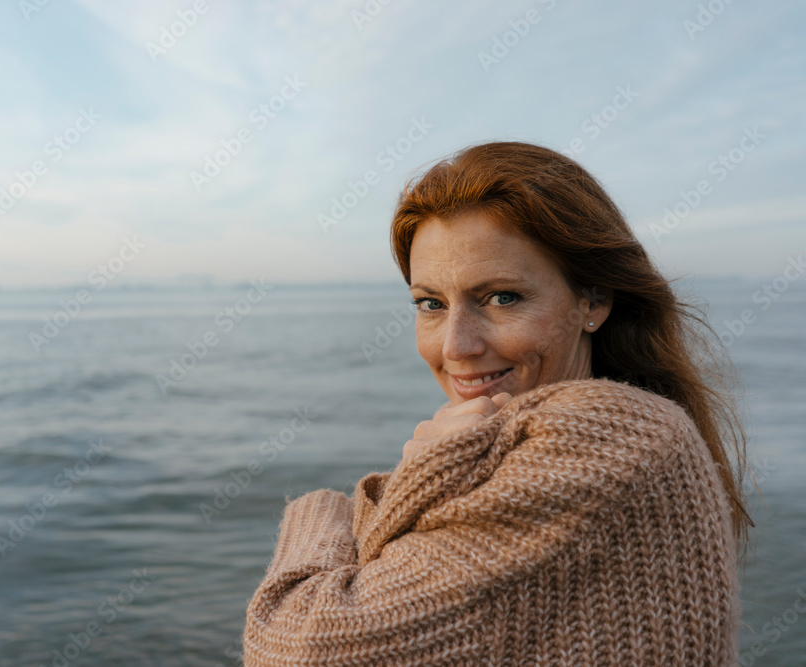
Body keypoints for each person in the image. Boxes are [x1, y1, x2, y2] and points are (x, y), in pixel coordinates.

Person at [241, 141, 752, 666]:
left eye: (502, 297)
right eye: (430, 304)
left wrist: (329, 511)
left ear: (593, 300)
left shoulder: (612, 440)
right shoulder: (569, 436)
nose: (456, 347)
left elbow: (293, 649)